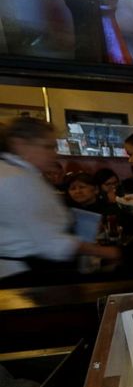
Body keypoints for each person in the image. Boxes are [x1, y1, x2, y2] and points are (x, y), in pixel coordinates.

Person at [0, 117, 120, 284]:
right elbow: (52, 243)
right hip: (25, 274)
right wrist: (106, 252)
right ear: (20, 144)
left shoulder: (16, 173)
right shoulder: (17, 179)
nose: (54, 153)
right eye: (48, 147)